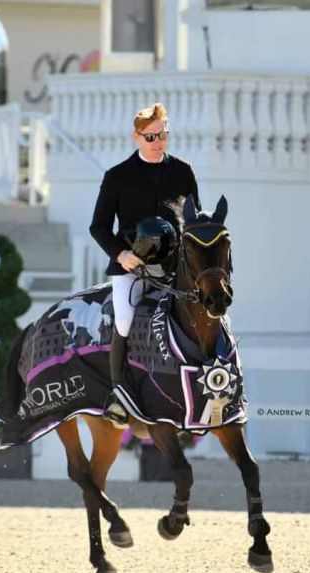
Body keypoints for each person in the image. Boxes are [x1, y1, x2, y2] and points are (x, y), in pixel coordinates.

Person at [89, 102, 200, 425]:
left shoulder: (183, 172)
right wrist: (120, 254)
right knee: (124, 320)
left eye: (163, 134)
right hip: (131, 265)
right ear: (136, 137)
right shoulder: (117, 176)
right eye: (151, 137)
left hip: (173, 267)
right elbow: (98, 226)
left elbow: (192, 220)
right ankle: (119, 394)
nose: (158, 142)